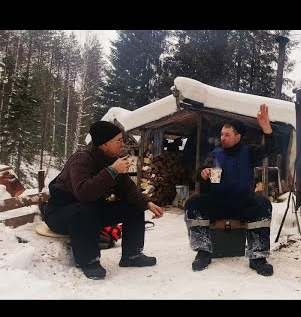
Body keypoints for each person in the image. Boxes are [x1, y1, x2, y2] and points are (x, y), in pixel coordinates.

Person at [43, 121, 164, 280]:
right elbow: (84, 193)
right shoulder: (81, 160)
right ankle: (89, 261)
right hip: (61, 214)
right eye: (119, 141)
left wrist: (147, 202)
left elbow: (128, 188)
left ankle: (132, 255)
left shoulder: (112, 160)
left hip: (90, 212)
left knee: (133, 207)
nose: (123, 144)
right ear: (105, 144)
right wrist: (112, 171)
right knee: (84, 209)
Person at [184, 103, 276, 276]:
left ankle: (257, 257)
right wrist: (202, 173)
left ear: (238, 137)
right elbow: (197, 173)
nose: (223, 138)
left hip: (243, 201)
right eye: (221, 134)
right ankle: (203, 252)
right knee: (193, 203)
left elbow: (269, 150)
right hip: (218, 201)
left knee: (263, 204)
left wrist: (267, 130)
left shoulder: (249, 152)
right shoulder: (215, 154)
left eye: (227, 135)